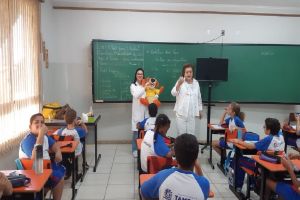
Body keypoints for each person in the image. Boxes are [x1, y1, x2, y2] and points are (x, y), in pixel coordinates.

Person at [140, 133, 210, 200]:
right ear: (196, 157)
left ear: (175, 156)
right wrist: (198, 167)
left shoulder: (163, 176)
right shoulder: (204, 184)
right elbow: (204, 191)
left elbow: (143, 191)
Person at [19, 113, 65, 200]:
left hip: (46, 168)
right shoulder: (28, 141)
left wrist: (58, 151)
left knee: (61, 171)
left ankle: (42, 193)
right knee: (58, 178)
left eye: (42, 122)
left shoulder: (45, 136)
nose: (40, 124)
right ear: (30, 126)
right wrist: (40, 135)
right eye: (36, 122)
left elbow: (54, 144)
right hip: (34, 172)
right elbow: (37, 159)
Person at [232, 118, 285, 191]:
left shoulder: (268, 139)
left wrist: (238, 141)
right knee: (255, 156)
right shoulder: (281, 136)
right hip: (276, 166)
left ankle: (238, 187)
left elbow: (251, 146)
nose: (263, 127)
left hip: (262, 168)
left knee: (239, 160)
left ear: (269, 130)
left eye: (264, 127)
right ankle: (252, 184)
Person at [171, 64, 203, 136]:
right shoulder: (180, 82)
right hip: (181, 114)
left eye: (190, 72)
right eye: (187, 72)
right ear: (184, 73)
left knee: (191, 135)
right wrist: (179, 84)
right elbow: (173, 93)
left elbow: (199, 97)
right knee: (182, 135)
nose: (189, 74)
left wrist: (200, 110)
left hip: (191, 114)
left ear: (192, 73)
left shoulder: (196, 83)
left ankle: (190, 147)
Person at [131, 68, 148, 157]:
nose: (140, 75)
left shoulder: (146, 85)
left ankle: (143, 150)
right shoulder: (133, 86)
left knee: (145, 133)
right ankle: (134, 149)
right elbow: (137, 95)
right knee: (136, 134)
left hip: (145, 112)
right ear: (136, 75)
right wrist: (144, 87)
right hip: (137, 113)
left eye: (141, 74)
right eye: (138, 74)